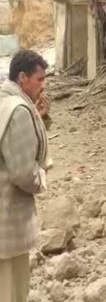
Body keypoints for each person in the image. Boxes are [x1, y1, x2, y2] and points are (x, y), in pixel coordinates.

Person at [0, 50, 51, 302]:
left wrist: (38, 118)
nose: (43, 85)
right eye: (39, 79)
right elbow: (22, 173)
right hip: (8, 219)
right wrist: (40, 178)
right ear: (22, 78)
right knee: (11, 290)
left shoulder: (5, 101)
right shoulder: (18, 110)